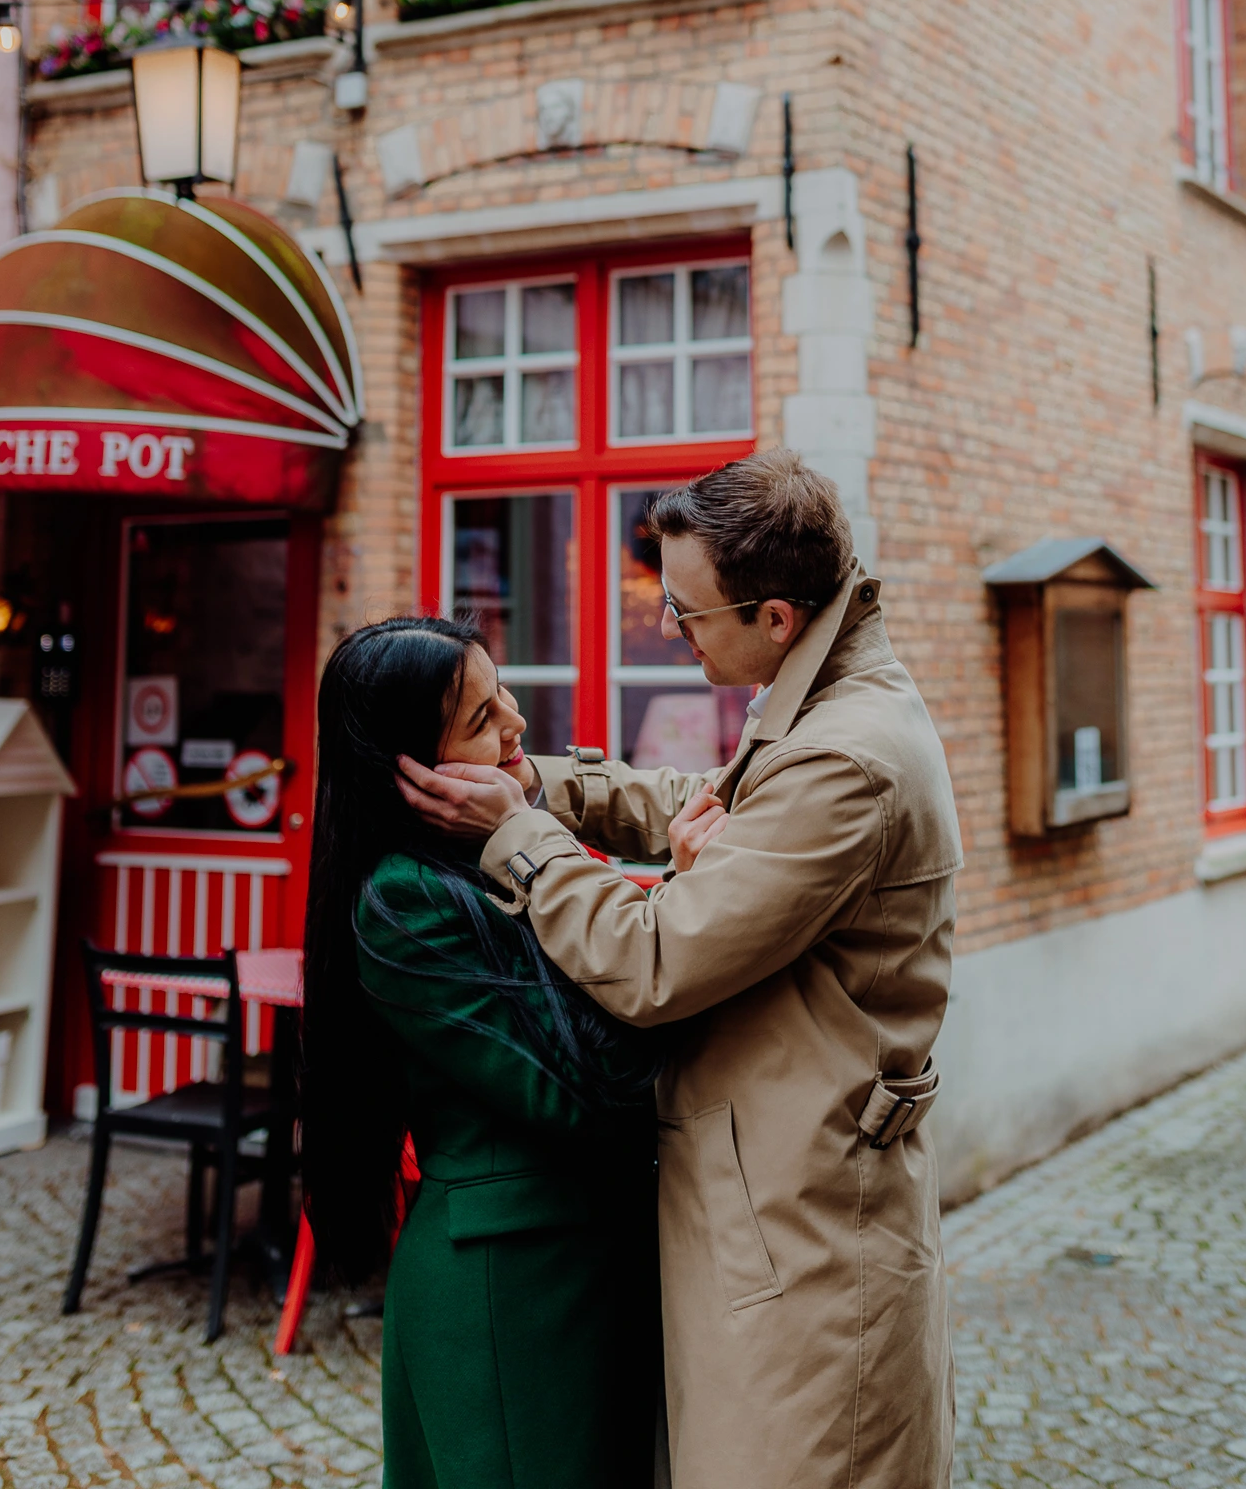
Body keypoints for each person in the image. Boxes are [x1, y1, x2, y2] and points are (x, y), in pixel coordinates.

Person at [398, 450, 964, 1489]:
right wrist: (547, 785)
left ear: (776, 618)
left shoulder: (846, 757)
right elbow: (701, 803)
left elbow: (654, 959)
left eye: (690, 613)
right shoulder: (825, 703)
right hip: (775, 1207)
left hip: (807, 1239)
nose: (675, 629)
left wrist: (516, 836)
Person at [300, 615, 671, 1489]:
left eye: (503, 690)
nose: (517, 724)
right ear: (410, 766)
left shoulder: (476, 859)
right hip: (512, 1288)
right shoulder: (404, 902)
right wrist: (672, 930)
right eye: (481, 717)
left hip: (573, 1262)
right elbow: (592, 1086)